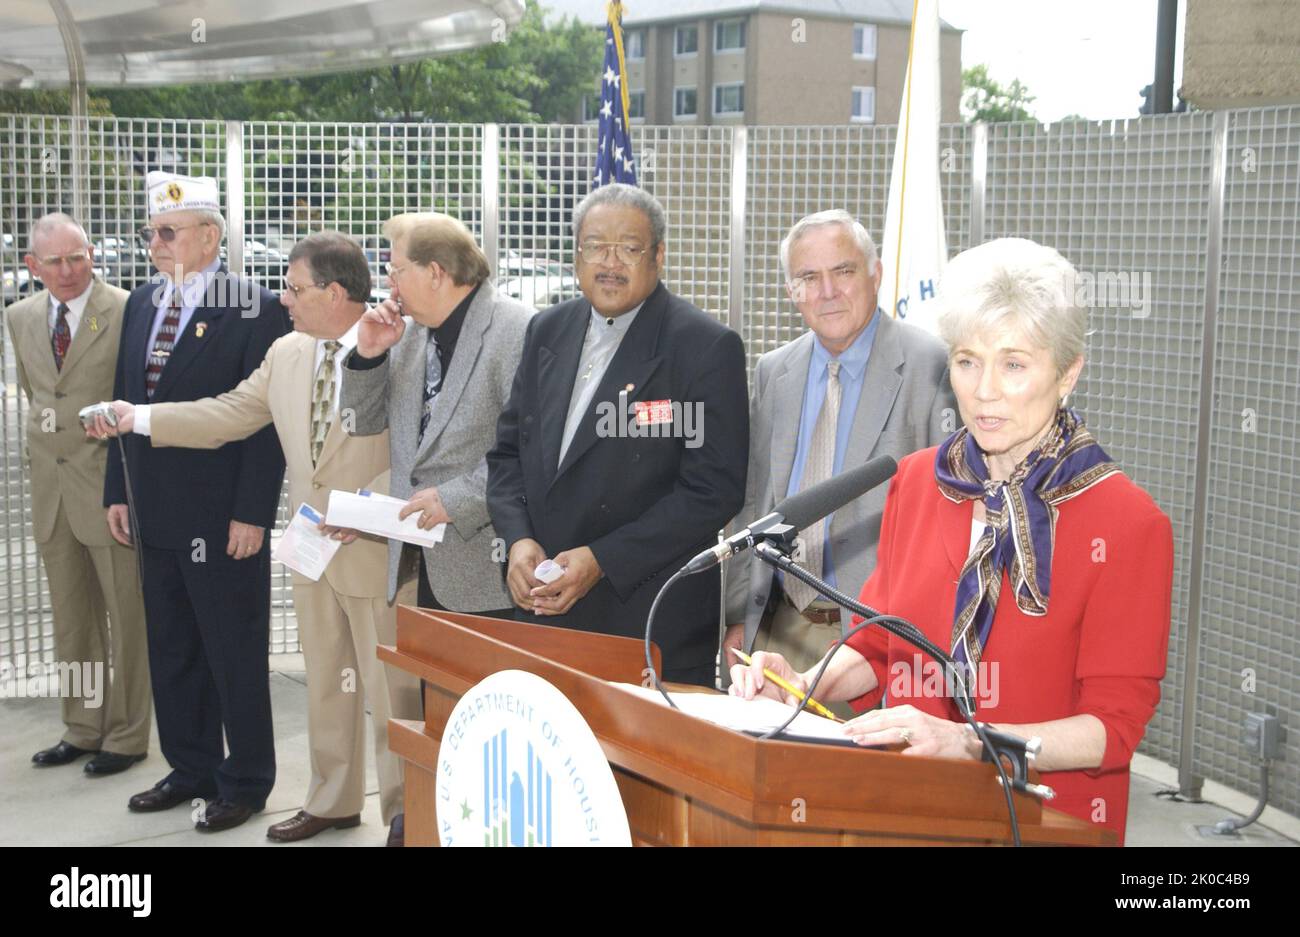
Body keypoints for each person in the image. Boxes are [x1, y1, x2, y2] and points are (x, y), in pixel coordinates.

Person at [730, 238, 1173, 844]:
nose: (984, 389)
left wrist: (969, 740)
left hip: (1043, 823)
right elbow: (884, 649)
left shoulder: (1127, 522)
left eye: (1014, 364)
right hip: (908, 814)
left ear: (1068, 373)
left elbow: (1112, 728)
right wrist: (804, 686)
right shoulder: (916, 480)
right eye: (967, 361)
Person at [90, 232, 416, 846]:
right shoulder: (287, 353)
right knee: (327, 680)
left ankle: (405, 813)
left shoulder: (399, 349)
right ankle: (332, 801)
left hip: (376, 550)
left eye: (293, 289)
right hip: (312, 548)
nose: (282, 300)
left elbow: (418, 453)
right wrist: (141, 417)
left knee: (388, 691)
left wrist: (371, 508)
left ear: (335, 291)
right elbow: (228, 413)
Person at [487, 183, 749, 686]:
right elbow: (506, 457)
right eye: (594, 246)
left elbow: (713, 490)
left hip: (645, 622)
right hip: (543, 613)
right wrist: (518, 540)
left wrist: (601, 561)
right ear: (576, 253)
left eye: (629, 248)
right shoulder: (546, 330)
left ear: (658, 256)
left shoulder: (704, 347)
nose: (610, 263)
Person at [103, 172, 289, 833]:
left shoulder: (254, 306)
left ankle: (245, 779)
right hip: (153, 509)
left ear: (209, 235)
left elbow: (265, 421)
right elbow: (123, 400)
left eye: (167, 232)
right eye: (151, 230)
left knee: (232, 650)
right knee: (174, 645)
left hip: (222, 515)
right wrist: (116, 490)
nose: (153, 242)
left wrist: (252, 513)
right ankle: (191, 766)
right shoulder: (142, 301)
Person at [723, 210, 954, 683]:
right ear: (791, 292)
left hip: (875, 644)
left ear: (876, 273)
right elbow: (753, 501)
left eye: (843, 271)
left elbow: (950, 519)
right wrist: (736, 617)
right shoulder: (774, 371)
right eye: (808, 277)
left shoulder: (932, 366)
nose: (827, 291)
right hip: (774, 628)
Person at [5, 213, 151, 775]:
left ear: (93, 254)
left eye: (77, 257)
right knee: (73, 621)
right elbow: (41, 396)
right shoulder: (19, 318)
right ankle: (84, 726)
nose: (68, 272)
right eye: (54, 262)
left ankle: (128, 733)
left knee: (127, 617)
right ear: (32, 266)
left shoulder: (126, 308)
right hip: (53, 495)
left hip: (112, 493)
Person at [341, 212, 529, 620]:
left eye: (396, 271)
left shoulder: (516, 330)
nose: (389, 284)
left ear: (435, 272)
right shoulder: (408, 335)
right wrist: (369, 356)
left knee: (490, 686)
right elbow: (361, 422)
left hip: (489, 572)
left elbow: (532, 450)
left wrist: (457, 499)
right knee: (435, 686)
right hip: (424, 566)